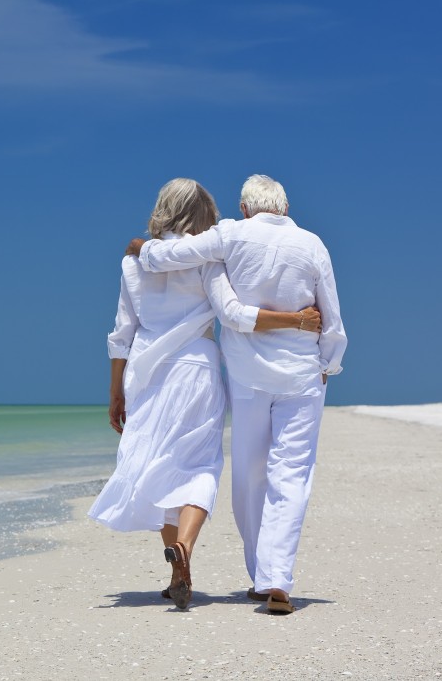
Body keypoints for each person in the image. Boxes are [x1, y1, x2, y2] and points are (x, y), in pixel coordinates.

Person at [89, 178, 321, 610]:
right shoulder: (210, 262)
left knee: (157, 465)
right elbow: (232, 314)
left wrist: (115, 392)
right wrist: (296, 320)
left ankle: (175, 560)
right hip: (196, 369)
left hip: (145, 373)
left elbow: (121, 335)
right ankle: (186, 550)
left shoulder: (132, 264)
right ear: (206, 214)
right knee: (198, 465)